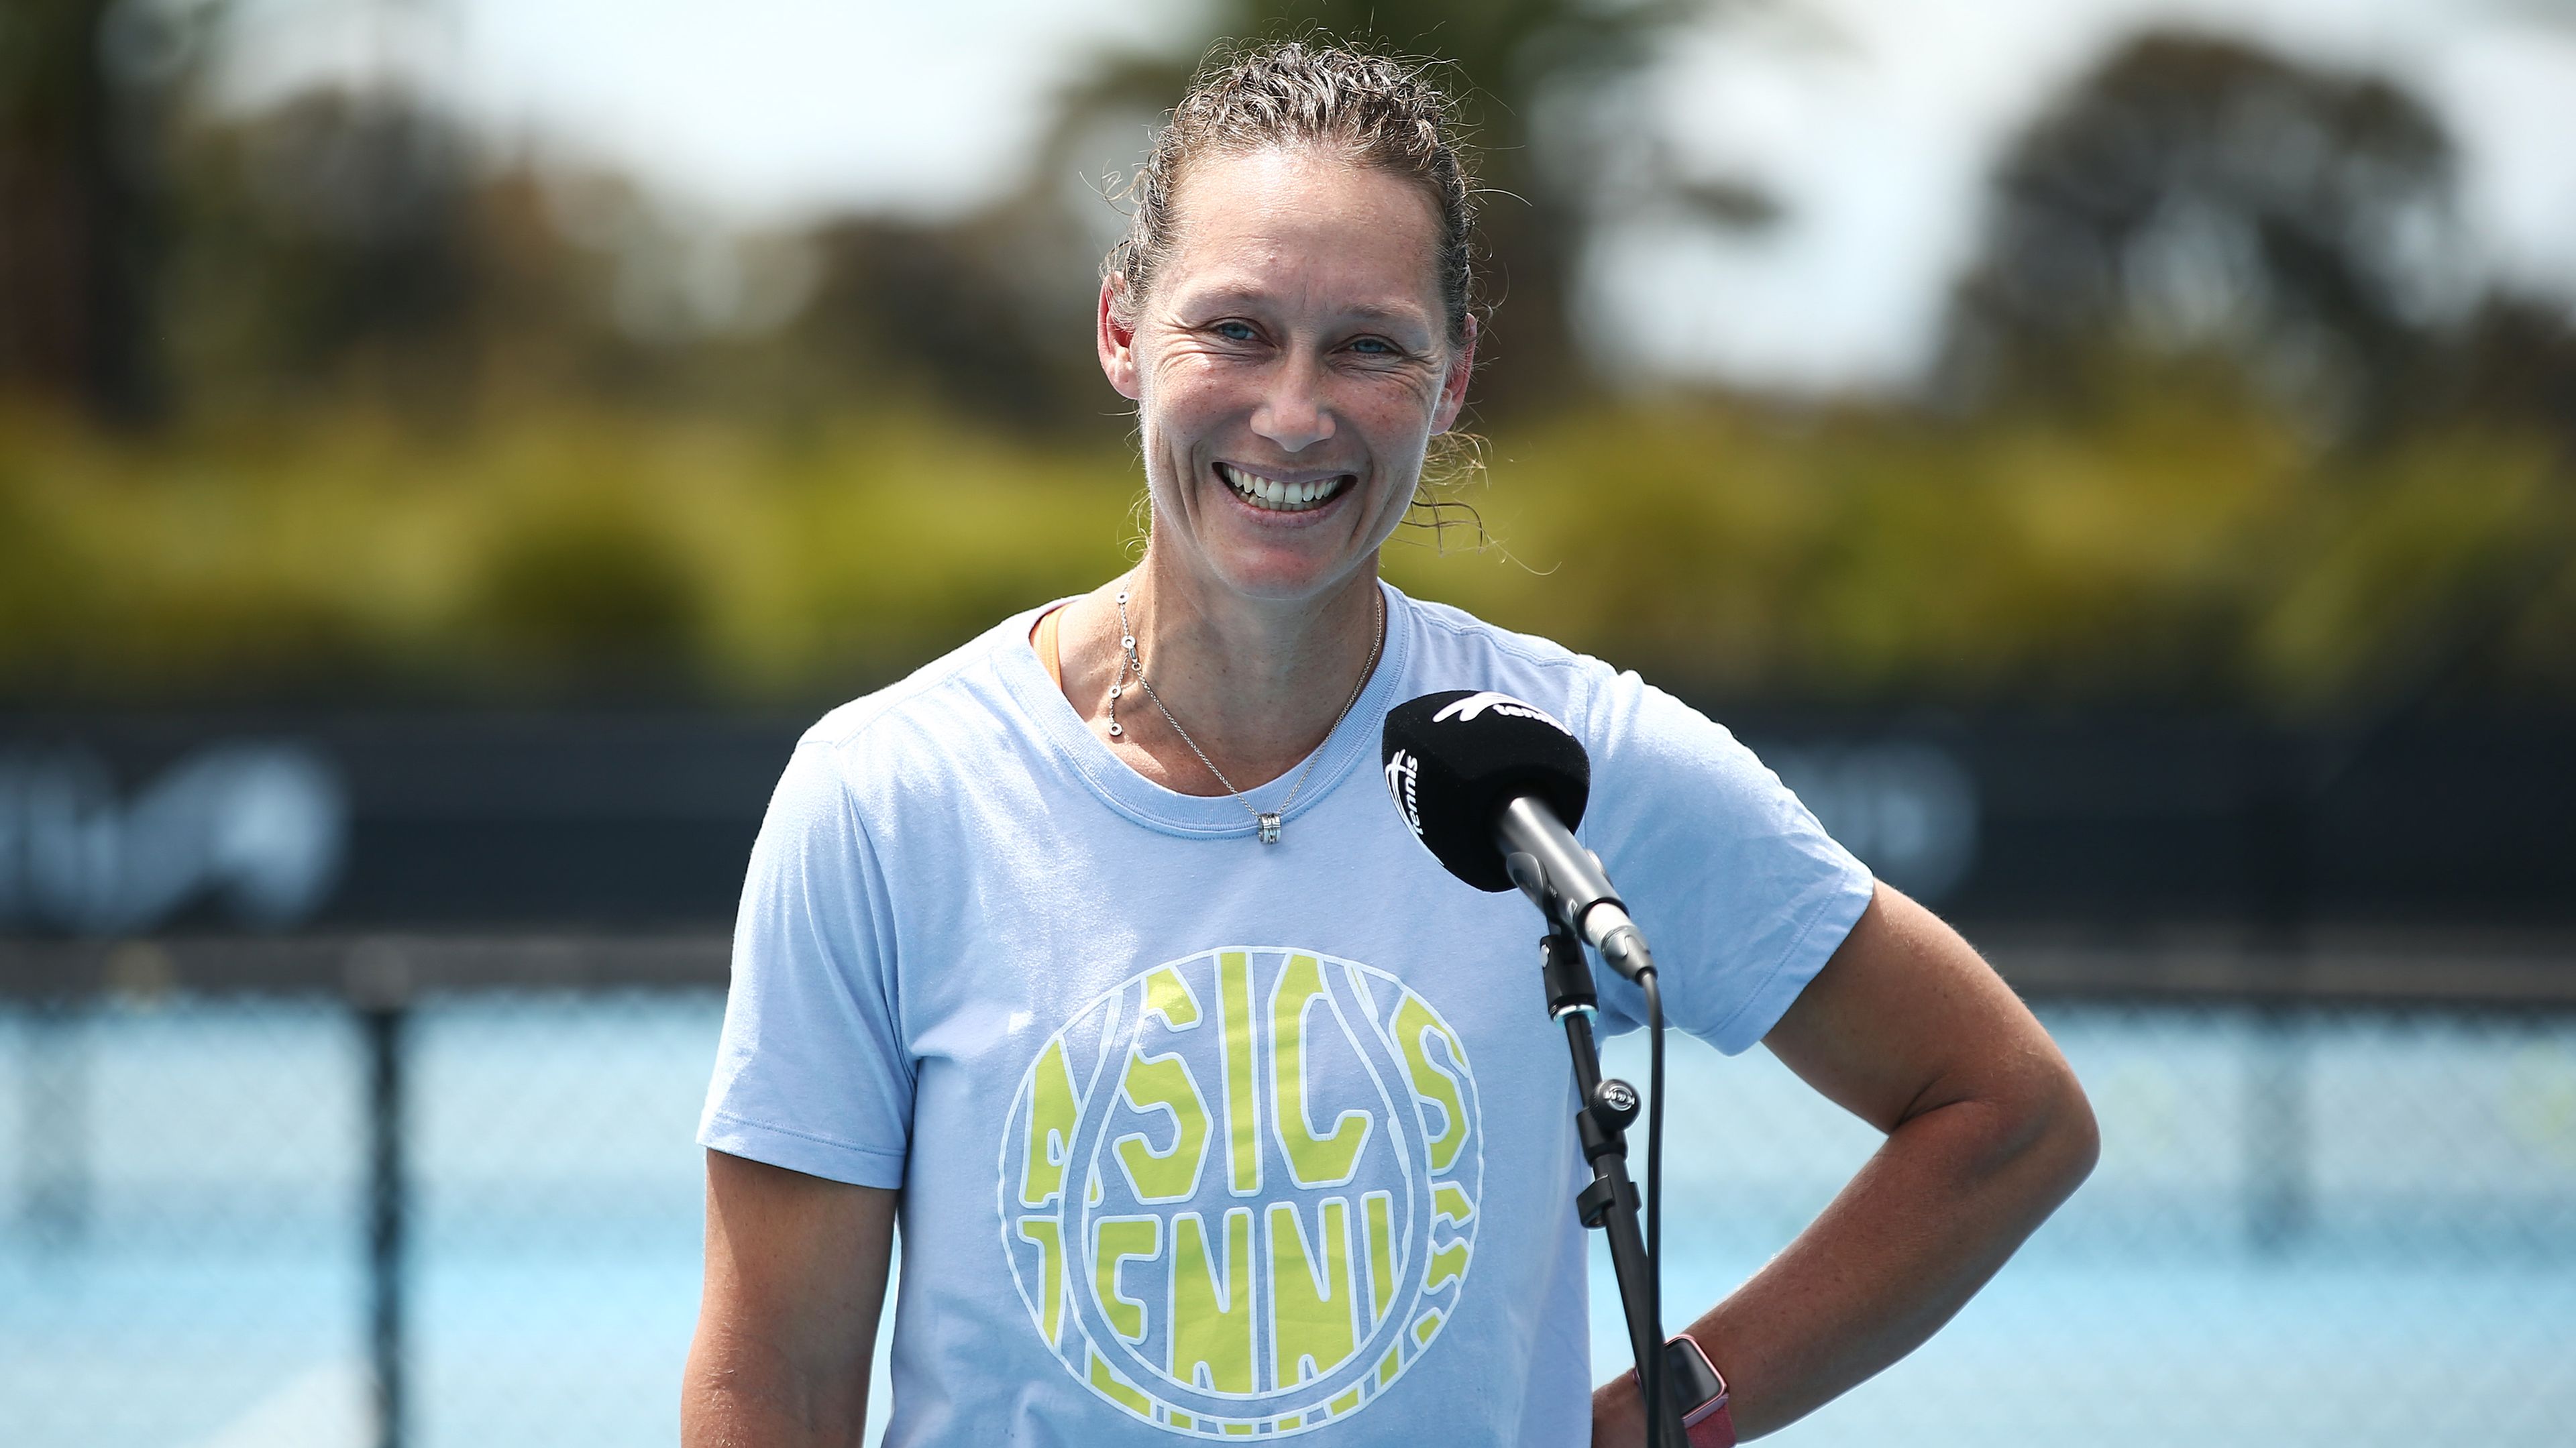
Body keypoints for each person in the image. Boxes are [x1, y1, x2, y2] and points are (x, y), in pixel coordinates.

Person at [682, 40, 2097, 1448]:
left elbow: (2006, 1113)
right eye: (1235, 329)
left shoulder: (1573, 766)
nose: (1294, 414)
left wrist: (1665, 1418)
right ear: (1123, 329)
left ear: (1453, 375)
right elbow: (774, 1389)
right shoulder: (886, 796)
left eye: (1368, 346)